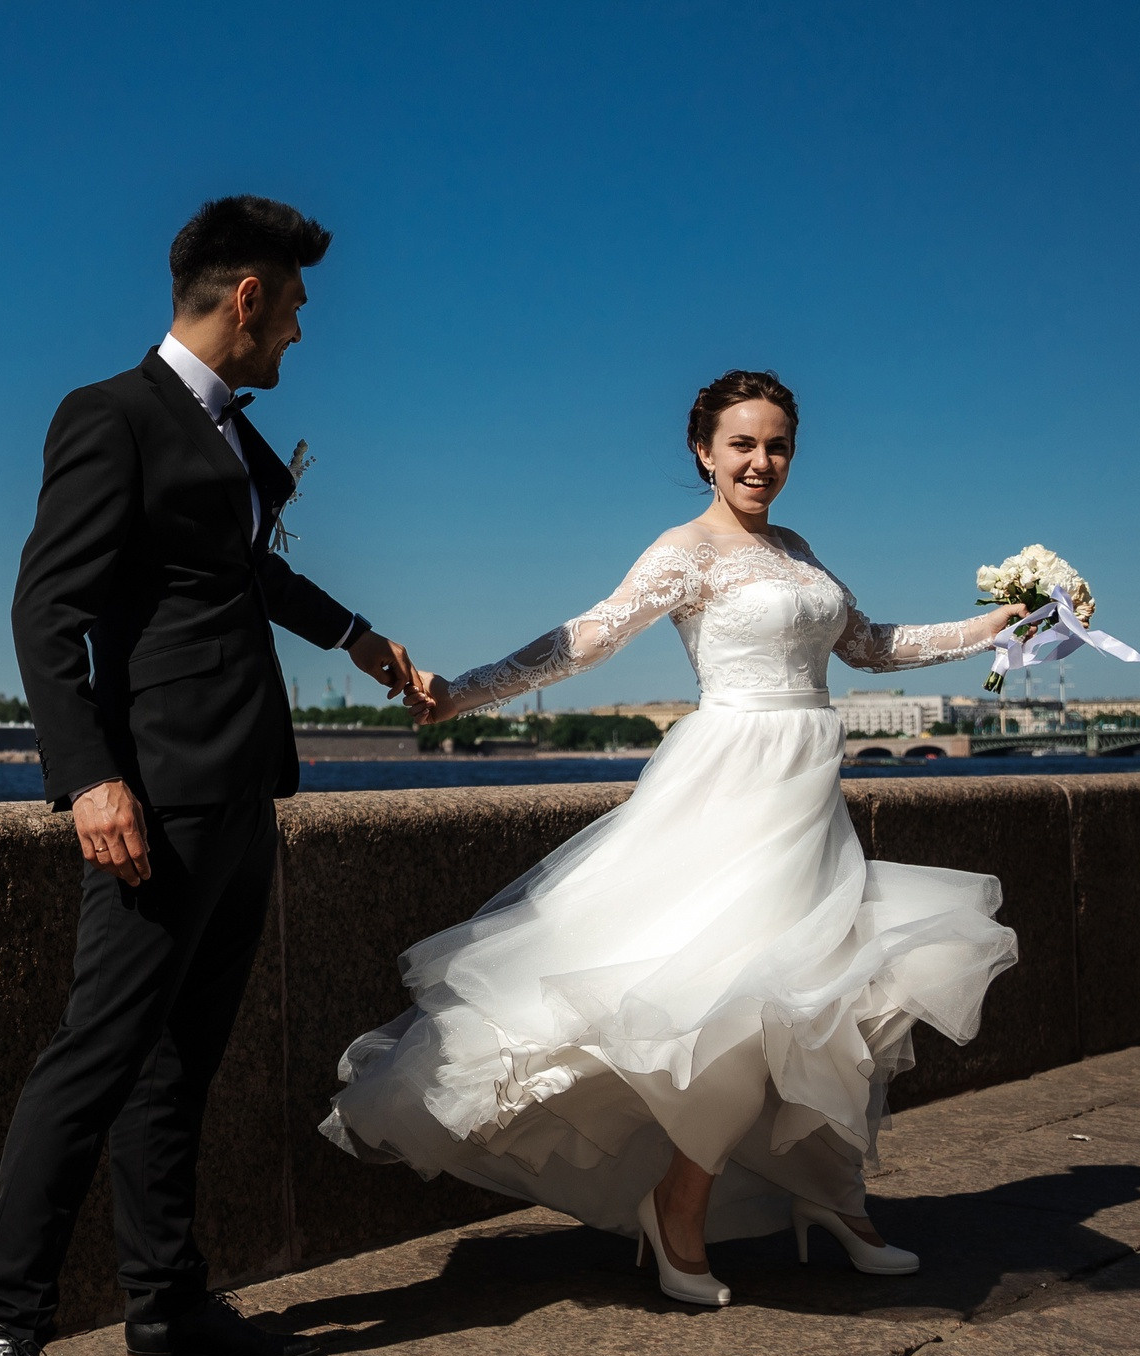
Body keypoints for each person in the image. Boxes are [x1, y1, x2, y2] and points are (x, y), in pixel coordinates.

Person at [328, 370, 1023, 1307]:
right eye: (742, 444)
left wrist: (992, 626)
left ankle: (836, 1197)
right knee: (739, 1002)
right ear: (703, 450)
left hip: (808, 793)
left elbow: (869, 645)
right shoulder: (684, 551)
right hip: (732, 791)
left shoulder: (797, 548)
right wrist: (458, 693)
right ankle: (678, 1207)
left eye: (777, 444)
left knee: (832, 995)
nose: (762, 462)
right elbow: (584, 640)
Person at [0, 196, 421, 1356]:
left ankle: (165, 1299)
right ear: (247, 299)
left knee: (182, 1061)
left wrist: (362, 642)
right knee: (93, 1059)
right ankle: (3, 1330)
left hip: (238, 785)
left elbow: (243, 572)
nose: (299, 340)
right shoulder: (107, 416)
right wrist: (88, 777)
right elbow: (43, 609)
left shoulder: (221, 438)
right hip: (151, 793)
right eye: (296, 312)